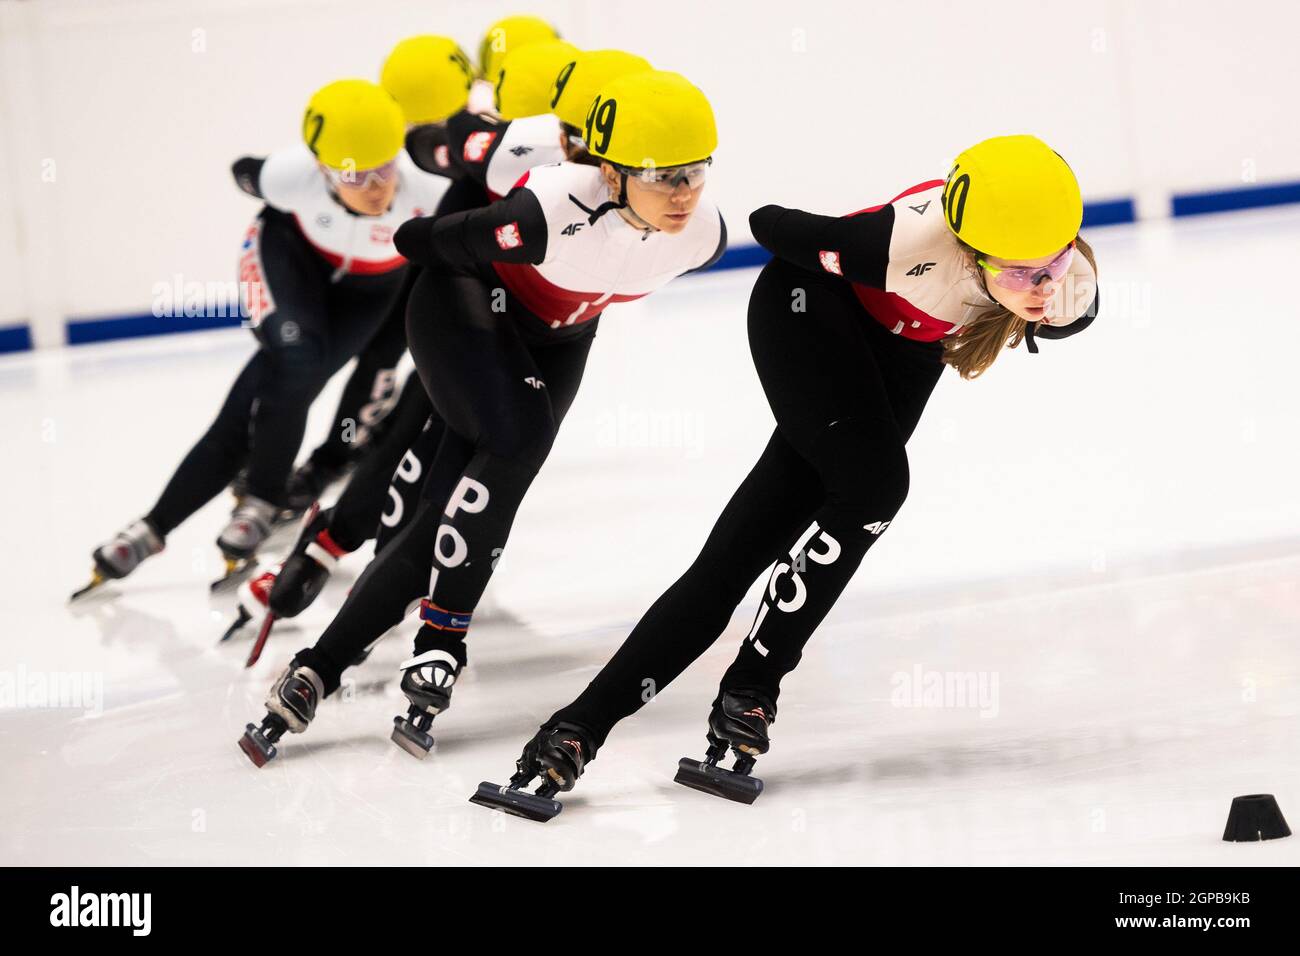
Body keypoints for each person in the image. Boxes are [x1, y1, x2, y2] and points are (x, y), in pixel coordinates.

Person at [474, 134, 1102, 821]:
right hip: (809, 310)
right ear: (971, 249)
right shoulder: (901, 245)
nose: (1044, 288)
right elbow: (769, 224)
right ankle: (749, 686)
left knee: (746, 549)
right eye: (1020, 276)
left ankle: (581, 726)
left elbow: (1045, 284)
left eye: (1055, 264)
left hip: (903, 351)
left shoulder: (1066, 278)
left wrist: (1039, 285)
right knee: (875, 488)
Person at [239, 69, 727, 768]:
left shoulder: (703, 234)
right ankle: (442, 638)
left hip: (559, 337)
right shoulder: (550, 209)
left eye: (695, 173)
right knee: (519, 438)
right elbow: (423, 241)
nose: (683, 193)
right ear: (613, 172)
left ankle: (318, 666)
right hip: (462, 309)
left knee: (457, 507)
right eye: (663, 176)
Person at [231, 47, 654, 642]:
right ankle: (336, 551)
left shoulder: (568, 157)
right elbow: (443, 154)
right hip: (470, 303)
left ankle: (337, 552)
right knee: (426, 433)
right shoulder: (531, 147)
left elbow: (444, 147)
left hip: (529, 314)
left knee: (447, 445)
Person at [73, 79, 451, 598]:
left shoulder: (428, 188)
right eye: (354, 174)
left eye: (384, 168)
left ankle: (156, 525)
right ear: (322, 169)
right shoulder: (291, 176)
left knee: (278, 386)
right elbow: (243, 171)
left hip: (369, 288)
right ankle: (262, 499)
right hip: (290, 259)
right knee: (296, 360)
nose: (375, 187)